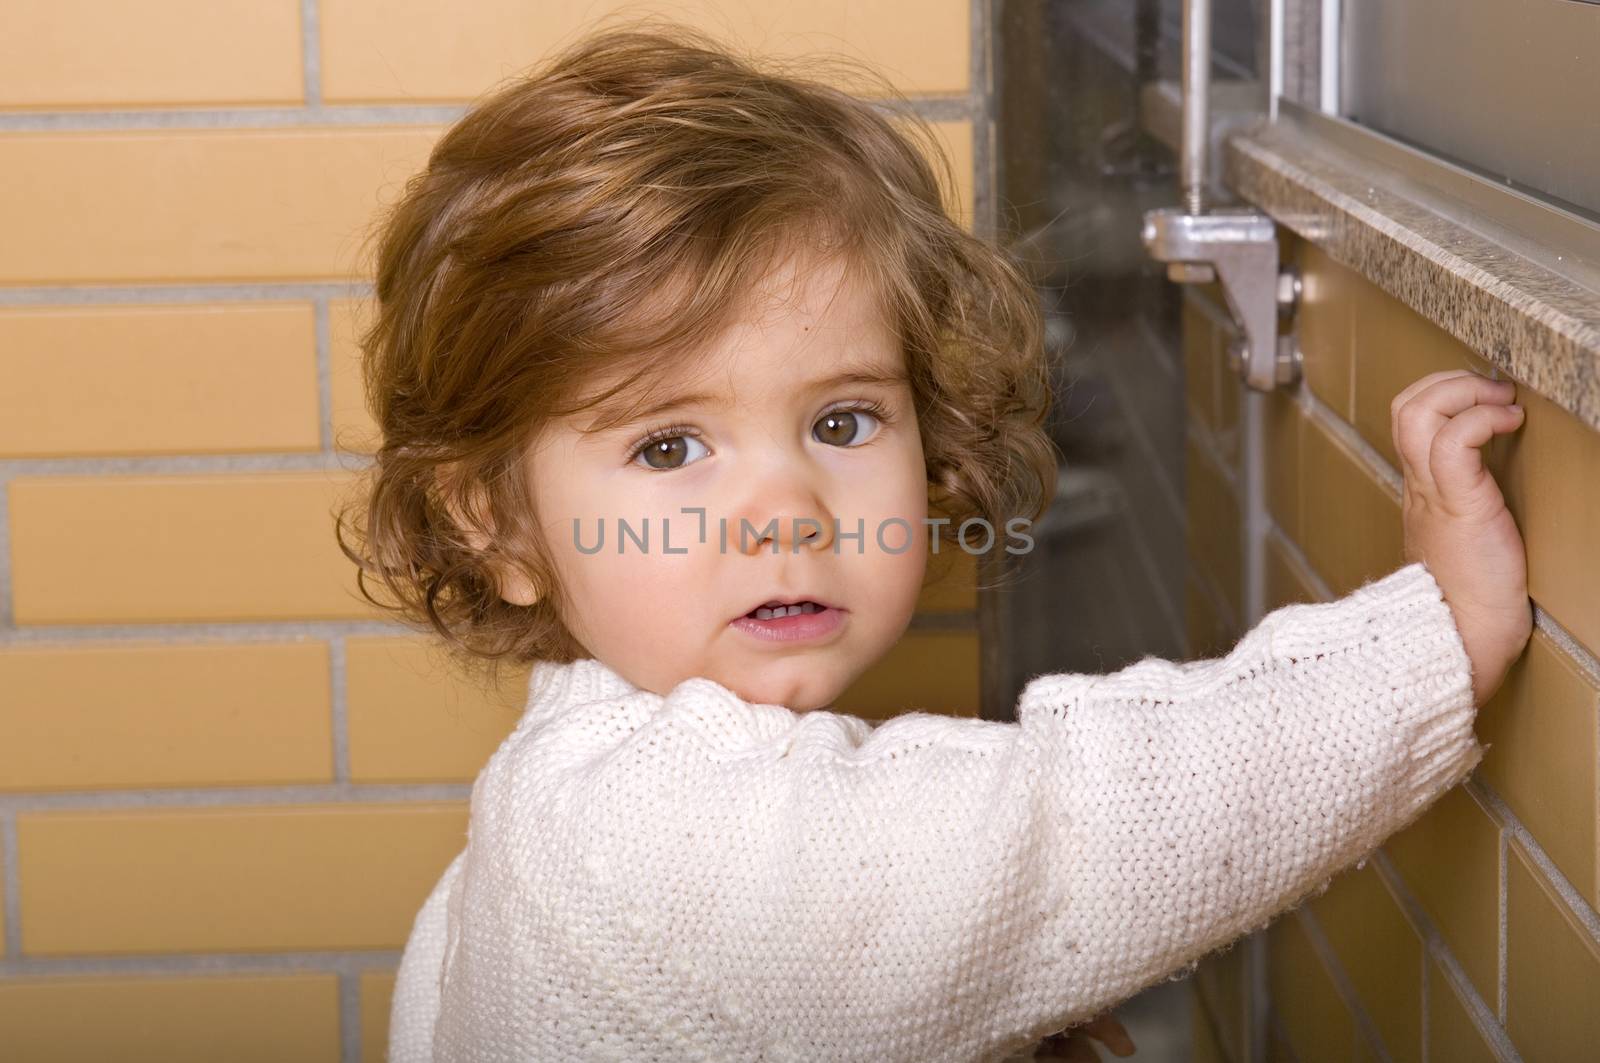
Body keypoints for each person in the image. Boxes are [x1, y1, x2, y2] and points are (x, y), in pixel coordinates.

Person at [335, 19, 1532, 1063]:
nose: (787, 507)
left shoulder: (545, 803)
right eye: (667, 447)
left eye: (842, 420)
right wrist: (1435, 640)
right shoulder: (645, 844)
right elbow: (1073, 834)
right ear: (496, 526)